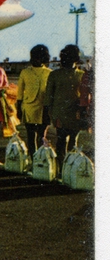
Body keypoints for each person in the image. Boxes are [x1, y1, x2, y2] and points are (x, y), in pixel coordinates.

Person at [45, 45, 85, 175]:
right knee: (61, 141)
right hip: (59, 114)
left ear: (76, 58)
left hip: (76, 114)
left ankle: (71, 169)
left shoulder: (82, 75)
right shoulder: (54, 74)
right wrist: (49, 112)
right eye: (64, 56)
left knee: (74, 142)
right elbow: (48, 95)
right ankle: (61, 169)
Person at [16, 44, 52, 154]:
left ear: (44, 58)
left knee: (42, 136)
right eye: (34, 57)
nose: (35, 59)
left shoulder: (49, 73)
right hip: (29, 109)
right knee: (30, 136)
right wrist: (19, 109)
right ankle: (32, 159)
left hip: (44, 109)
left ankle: (40, 159)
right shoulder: (25, 72)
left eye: (38, 57)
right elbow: (20, 93)